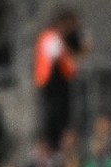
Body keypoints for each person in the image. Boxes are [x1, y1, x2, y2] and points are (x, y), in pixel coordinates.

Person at [34, 8, 83, 148]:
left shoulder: (62, 37)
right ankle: (52, 145)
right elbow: (57, 54)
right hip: (51, 82)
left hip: (61, 81)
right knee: (54, 116)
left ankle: (60, 142)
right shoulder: (51, 36)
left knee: (63, 115)